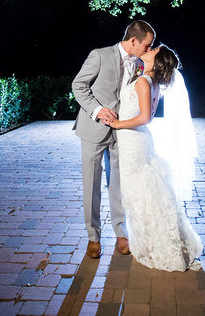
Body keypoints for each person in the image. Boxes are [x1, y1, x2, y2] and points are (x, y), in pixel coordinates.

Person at [109, 44, 203, 271]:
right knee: (146, 193)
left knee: (139, 194)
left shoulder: (143, 81)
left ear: (156, 59)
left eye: (153, 49)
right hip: (139, 141)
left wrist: (117, 123)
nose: (149, 48)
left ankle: (158, 245)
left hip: (133, 139)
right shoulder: (153, 82)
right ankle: (159, 240)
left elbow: (145, 118)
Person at [72, 20, 155, 259]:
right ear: (133, 41)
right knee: (92, 185)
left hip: (122, 133)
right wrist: (97, 110)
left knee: (119, 184)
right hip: (93, 129)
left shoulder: (141, 63)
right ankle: (93, 237)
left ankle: (121, 233)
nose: (149, 49)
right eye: (147, 44)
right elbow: (78, 85)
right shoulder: (98, 55)